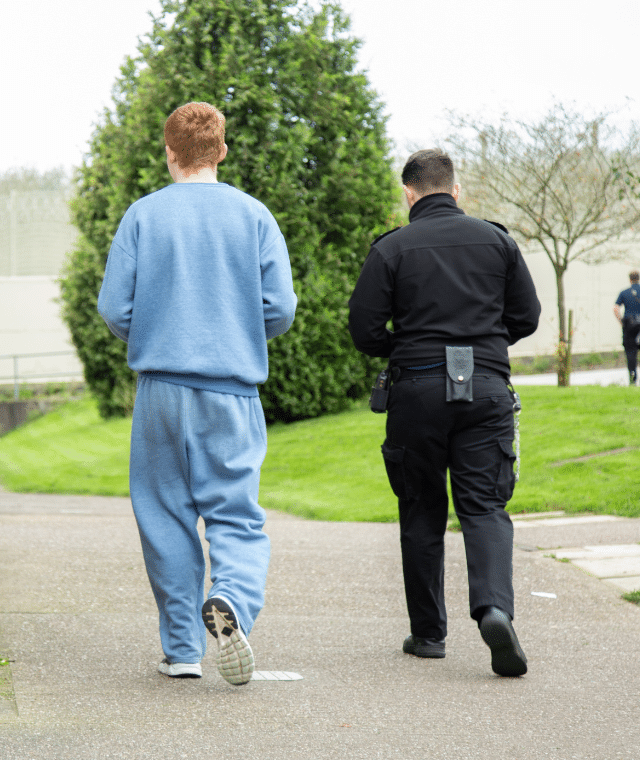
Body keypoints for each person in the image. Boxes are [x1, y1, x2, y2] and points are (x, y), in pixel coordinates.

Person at [98, 102, 297, 685]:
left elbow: (114, 307)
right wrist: (234, 330)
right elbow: (280, 308)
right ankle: (232, 597)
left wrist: (158, 333)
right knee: (235, 513)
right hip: (230, 392)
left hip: (160, 391)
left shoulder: (142, 215)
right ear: (222, 151)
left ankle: (183, 650)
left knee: (165, 518)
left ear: (169, 152)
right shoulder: (254, 215)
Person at [348, 149, 540, 677]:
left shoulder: (390, 250)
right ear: (455, 190)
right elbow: (528, 314)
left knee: (421, 506)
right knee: (484, 506)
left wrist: (408, 348)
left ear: (409, 194)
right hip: (486, 388)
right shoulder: (497, 241)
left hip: (416, 391)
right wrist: (485, 345)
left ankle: (429, 634)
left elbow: (364, 330)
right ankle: (495, 610)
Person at [613, 270, 640, 386]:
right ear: (638, 278)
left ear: (630, 279)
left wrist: (621, 322)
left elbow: (615, 308)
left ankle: (632, 377)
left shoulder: (624, 292)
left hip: (630, 326)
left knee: (630, 352)